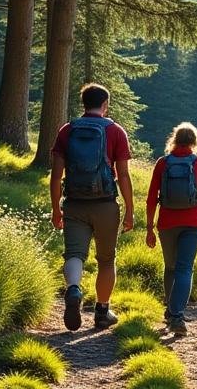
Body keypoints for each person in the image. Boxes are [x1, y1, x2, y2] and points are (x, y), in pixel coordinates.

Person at [48, 83, 134, 332]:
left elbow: (56, 176)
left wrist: (56, 209)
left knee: (74, 254)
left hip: (74, 203)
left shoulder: (67, 130)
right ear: (105, 105)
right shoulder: (115, 131)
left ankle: (74, 289)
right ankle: (102, 312)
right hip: (105, 204)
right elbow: (124, 175)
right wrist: (129, 209)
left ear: (83, 104)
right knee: (106, 260)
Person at [145, 122, 197, 336]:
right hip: (194, 222)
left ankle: (171, 310)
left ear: (174, 139)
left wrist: (149, 227)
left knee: (170, 267)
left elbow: (151, 198)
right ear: (195, 141)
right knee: (185, 268)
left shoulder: (162, 163)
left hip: (167, 222)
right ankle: (176, 315)